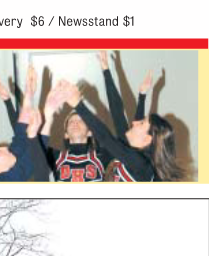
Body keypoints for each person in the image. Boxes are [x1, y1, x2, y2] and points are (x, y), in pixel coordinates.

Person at [49, 77, 184, 183]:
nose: (135, 122)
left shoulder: (141, 165)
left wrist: (78, 104)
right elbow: (118, 116)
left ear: (147, 139)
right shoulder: (133, 157)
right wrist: (141, 97)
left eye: (142, 123)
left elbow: (106, 138)